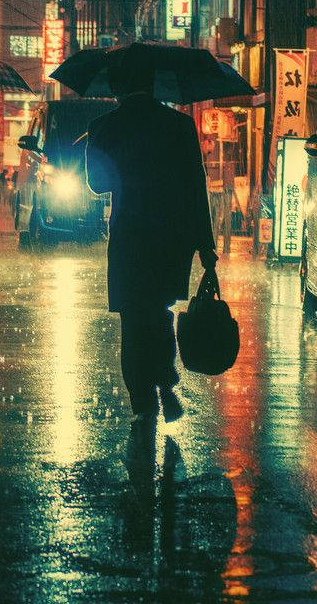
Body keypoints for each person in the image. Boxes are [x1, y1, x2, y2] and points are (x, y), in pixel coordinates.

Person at [86, 50, 218, 425]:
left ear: (117, 85)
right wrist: (204, 244)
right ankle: (164, 379)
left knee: (133, 317)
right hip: (171, 237)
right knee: (158, 311)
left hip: (129, 235)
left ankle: (144, 400)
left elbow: (97, 185)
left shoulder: (103, 127)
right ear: (152, 82)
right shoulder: (179, 126)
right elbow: (196, 185)